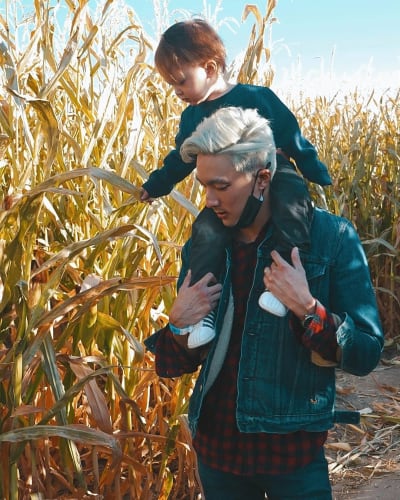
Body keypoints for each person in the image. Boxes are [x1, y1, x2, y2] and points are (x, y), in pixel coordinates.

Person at [144, 106, 384, 500]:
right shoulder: (204, 246)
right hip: (218, 456)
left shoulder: (332, 238)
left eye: (220, 186)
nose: (209, 201)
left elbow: (366, 354)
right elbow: (178, 364)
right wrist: (177, 326)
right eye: (203, 186)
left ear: (262, 180)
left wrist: (309, 309)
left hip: (293, 459)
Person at [141, 19, 332, 349]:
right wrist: (157, 184)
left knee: (292, 200)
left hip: (274, 168)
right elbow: (180, 159)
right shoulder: (191, 119)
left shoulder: (257, 97)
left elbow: (291, 133)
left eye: (181, 81)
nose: (177, 91)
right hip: (228, 192)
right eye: (172, 86)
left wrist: (314, 170)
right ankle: (203, 311)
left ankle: (281, 281)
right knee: (204, 233)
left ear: (210, 67)